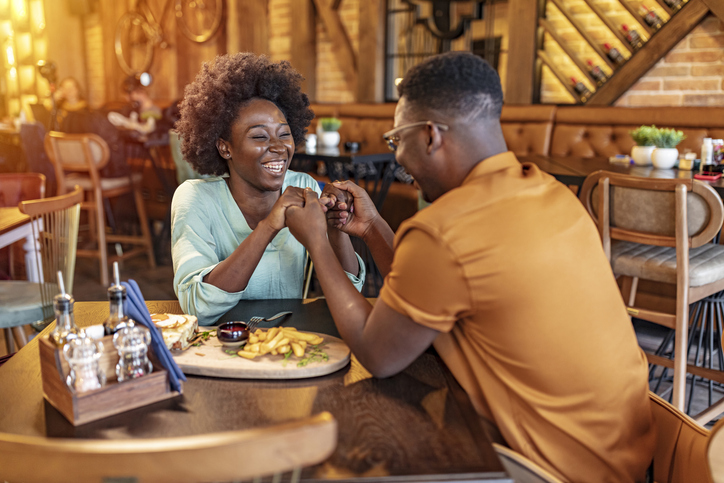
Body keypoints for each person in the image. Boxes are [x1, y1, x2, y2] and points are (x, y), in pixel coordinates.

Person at [284, 52, 655, 482]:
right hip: (633, 453)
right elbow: (432, 291)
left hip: (554, 470)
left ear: (430, 136)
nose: (398, 157)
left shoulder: (446, 230)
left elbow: (377, 351)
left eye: (396, 139)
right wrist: (372, 229)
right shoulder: (550, 191)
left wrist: (318, 244)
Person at [171, 53, 365, 326]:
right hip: (218, 347)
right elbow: (199, 306)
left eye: (284, 134)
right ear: (225, 147)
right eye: (259, 136)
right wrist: (269, 225)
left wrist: (335, 227)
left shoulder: (303, 187)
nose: (278, 147)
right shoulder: (196, 198)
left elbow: (350, 293)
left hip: (286, 345)